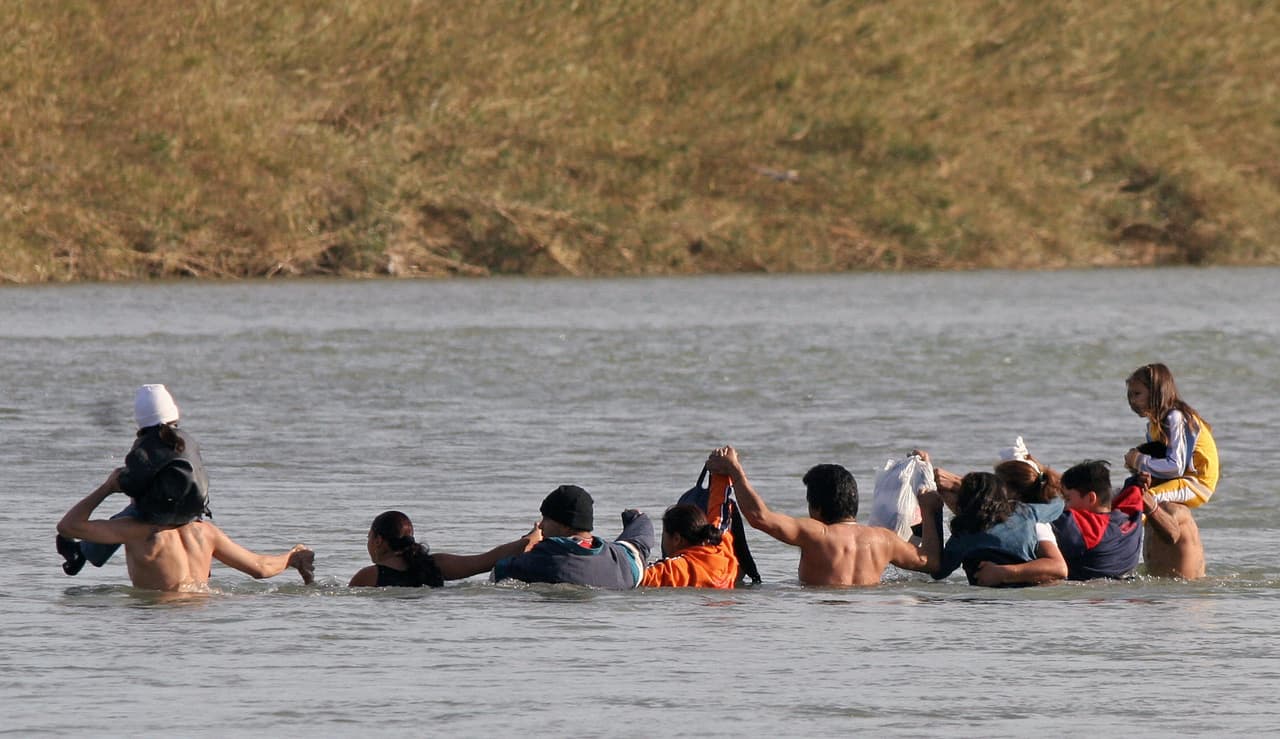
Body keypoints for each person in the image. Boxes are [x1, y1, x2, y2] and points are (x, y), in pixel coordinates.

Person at [703, 446, 931, 586]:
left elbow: (759, 517)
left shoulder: (815, 533)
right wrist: (928, 495)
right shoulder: (884, 539)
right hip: (865, 616)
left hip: (820, 620)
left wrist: (735, 470)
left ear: (817, 508)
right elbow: (929, 561)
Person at [57, 468, 313, 592]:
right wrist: (291, 557)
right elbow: (261, 568)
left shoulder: (136, 531)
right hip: (200, 620)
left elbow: (69, 526)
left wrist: (107, 487)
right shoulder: (206, 532)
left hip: (157, 625)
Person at [57, 384, 210, 576]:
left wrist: (117, 480)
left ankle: (83, 552)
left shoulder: (144, 447)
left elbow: (132, 485)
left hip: (160, 516)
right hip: (193, 511)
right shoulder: (188, 440)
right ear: (174, 414)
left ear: (140, 421)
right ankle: (200, 564)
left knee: (130, 516)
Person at [916, 470, 1068, 587]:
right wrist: (1040, 474)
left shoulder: (964, 533)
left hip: (986, 599)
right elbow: (1058, 502)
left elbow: (938, 571)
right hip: (1030, 589)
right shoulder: (1024, 512)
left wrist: (932, 512)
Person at [492, 485, 654, 589]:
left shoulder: (545, 558)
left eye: (546, 519)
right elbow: (641, 535)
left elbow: (497, 573)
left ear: (565, 526)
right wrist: (634, 516)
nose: (540, 525)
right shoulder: (622, 561)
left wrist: (527, 545)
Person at [349, 510, 542, 587]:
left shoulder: (369, 576)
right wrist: (530, 539)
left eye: (368, 537)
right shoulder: (436, 564)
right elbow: (487, 560)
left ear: (378, 540)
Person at [1123, 363, 1219, 507]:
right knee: (1126, 493)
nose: (1133, 401)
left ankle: (1126, 529)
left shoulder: (1175, 418)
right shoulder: (1153, 426)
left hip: (1195, 483)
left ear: (1156, 392)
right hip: (1175, 480)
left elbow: (1175, 467)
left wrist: (1139, 461)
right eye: (1130, 395)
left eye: (1137, 394)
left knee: (1145, 501)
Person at [1043, 460, 1144, 580]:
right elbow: (1134, 488)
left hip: (1085, 595)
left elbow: (1035, 525)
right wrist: (1138, 479)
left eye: (1067, 499)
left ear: (1091, 498)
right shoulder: (1132, 515)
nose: (1065, 506)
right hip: (1123, 589)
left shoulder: (1088, 527)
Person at [640, 504, 738, 589]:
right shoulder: (722, 550)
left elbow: (633, 575)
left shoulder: (677, 568)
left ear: (676, 539)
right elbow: (719, 508)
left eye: (663, 534)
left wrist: (635, 528)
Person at [1140, 475, 1206, 580]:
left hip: (1184, 593)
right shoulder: (1152, 514)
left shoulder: (1174, 508)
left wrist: (1149, 504)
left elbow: (1172, 533)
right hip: (1162, 591)